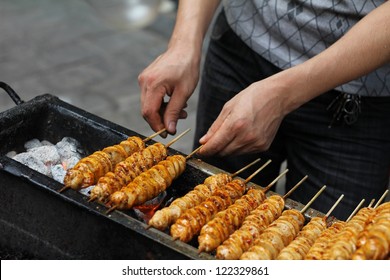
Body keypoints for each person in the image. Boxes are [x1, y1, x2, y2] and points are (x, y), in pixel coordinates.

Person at [138, 0, 390, 221]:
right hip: (240, 51)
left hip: (359, 95)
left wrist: (284, 95)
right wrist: (183, 43)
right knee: (207, 212)